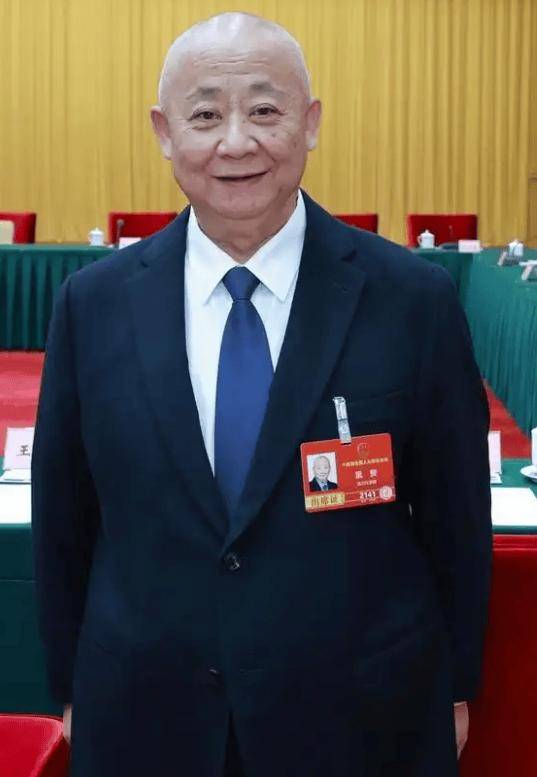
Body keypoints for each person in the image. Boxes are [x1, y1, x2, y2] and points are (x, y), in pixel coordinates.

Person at [31, 11, 492, 777]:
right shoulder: (93, 304)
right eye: (205, 115)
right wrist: (69, 685)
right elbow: (64, 520)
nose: (236, 141)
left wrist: (454, 684)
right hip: (146, 714)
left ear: (310, 123)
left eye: (265, 109)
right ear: (163, 132)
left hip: (361, 718)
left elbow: (456, 518)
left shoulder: (411, 299)